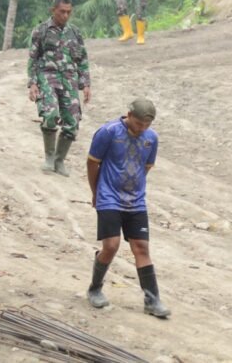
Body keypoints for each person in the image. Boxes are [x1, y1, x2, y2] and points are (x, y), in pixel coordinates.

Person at [85, 97, 170, 318]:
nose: (142, 129)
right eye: (139, 123)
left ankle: (152, 300)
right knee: (111, 246)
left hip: (136, 200)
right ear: (129, 115)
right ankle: (95, 288)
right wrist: (96, 192)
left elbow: (146, 167)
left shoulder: (151, 139)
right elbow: (92, 162)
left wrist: (135, 188)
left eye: (147, 125)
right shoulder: (108, 132)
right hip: (109, 196)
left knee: (141, 247)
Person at [27, 0, 91, 177]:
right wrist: (32, 83)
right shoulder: (41, 31)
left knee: (72, 122)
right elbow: (32, 58)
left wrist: (85, 84)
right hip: (47, 76)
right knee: (50, 114)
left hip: (69, 80)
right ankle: (49, 157)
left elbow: (83, 59)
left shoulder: (75, 33)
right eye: (62, 11)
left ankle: (59, 160)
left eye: (68, 12)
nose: (65, 15)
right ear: (53, 10)